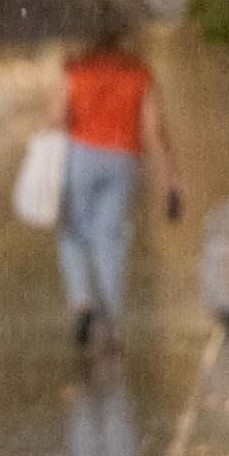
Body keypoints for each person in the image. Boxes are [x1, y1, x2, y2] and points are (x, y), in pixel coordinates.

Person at [48, 32, 182, 352]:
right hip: (123, 158)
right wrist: (169, 179)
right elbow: (152, 129)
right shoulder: (138, 71)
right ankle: (110, 326)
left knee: (71, 232)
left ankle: (82, 303)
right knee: (109, 239)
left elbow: (55, 118)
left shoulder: (75, 68)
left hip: (80, 156)